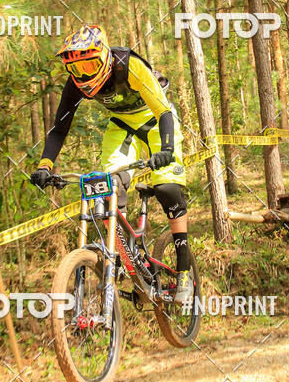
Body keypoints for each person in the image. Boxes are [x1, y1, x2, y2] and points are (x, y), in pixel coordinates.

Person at [30, 24, 192, 303]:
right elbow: (59, 129)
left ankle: (185, 271)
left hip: (156, 120)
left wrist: (166, 149)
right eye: (77, 69)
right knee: (108, 189)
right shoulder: (76, 84)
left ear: (104, 56)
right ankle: (127, 256)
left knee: (167, 188)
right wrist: (45, 165)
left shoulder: (127, 65)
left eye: (90, 65)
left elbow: (163, 111)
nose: (85, 75)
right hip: (122, 126)